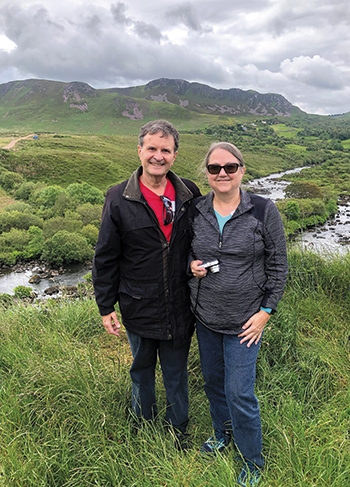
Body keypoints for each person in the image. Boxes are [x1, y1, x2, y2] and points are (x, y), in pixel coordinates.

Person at [92, 119, 201, 450]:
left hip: (180, 305)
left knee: (176, 373)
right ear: (139, 151)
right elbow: (106, 255)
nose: (158, 156)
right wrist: (105, 306)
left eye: (165, 150)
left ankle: (178, 429)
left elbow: (200, 240)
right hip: (138, 304)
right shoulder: (118, 197)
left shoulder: (189, 193)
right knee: (141, 370)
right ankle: (143, 425)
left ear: (175, 155)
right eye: (151, 148)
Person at [189, 142, 288, 486]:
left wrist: (266, 312)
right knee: (214, 383)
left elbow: (278, 265)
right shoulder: (197, 209)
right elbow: (185, 254)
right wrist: (192, 266)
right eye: (215, 168)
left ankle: (253, 460)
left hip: (245, 322)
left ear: (242, 171)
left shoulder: (262, 210)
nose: (222, 174)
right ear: (207, 173)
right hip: (205, 317)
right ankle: (222, 433)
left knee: (239, 392)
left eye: (230, 167)